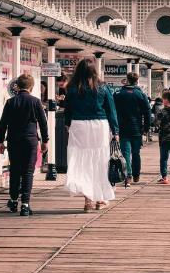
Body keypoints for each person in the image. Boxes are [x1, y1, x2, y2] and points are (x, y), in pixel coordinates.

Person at [64, 56, 119, 213]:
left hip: (79, 125)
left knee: (82, 162)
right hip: (99, 125)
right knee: (100, 162)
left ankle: (88, 200)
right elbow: (111, 110)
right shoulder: (102, 87)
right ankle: (100, 199)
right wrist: (115, 131)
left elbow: (68, 109)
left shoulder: (73, 88)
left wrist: (68, 124)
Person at [0, 74, 49, 216]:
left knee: (14, 170)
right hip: (30, 140)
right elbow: (43, 123)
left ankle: (13, 200)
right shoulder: (36, 102)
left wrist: (0, 141)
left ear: (17, 86)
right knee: (28, 171)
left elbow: (3, 124)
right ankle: (25, 205)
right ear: (31, 87)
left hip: (14, 140)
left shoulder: (10, 102)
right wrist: (45, 141)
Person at [114, 72, 151, 184]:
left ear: (127, 80)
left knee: (126, 153)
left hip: (123, 128)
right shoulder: (140, 94)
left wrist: (114, 127)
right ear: (137, 81)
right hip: (136, 129)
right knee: (136, 153)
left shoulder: (118, 93)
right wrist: (146, 127)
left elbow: (112, 111)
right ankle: (136, 175)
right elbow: (147, 111)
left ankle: (128, 176)